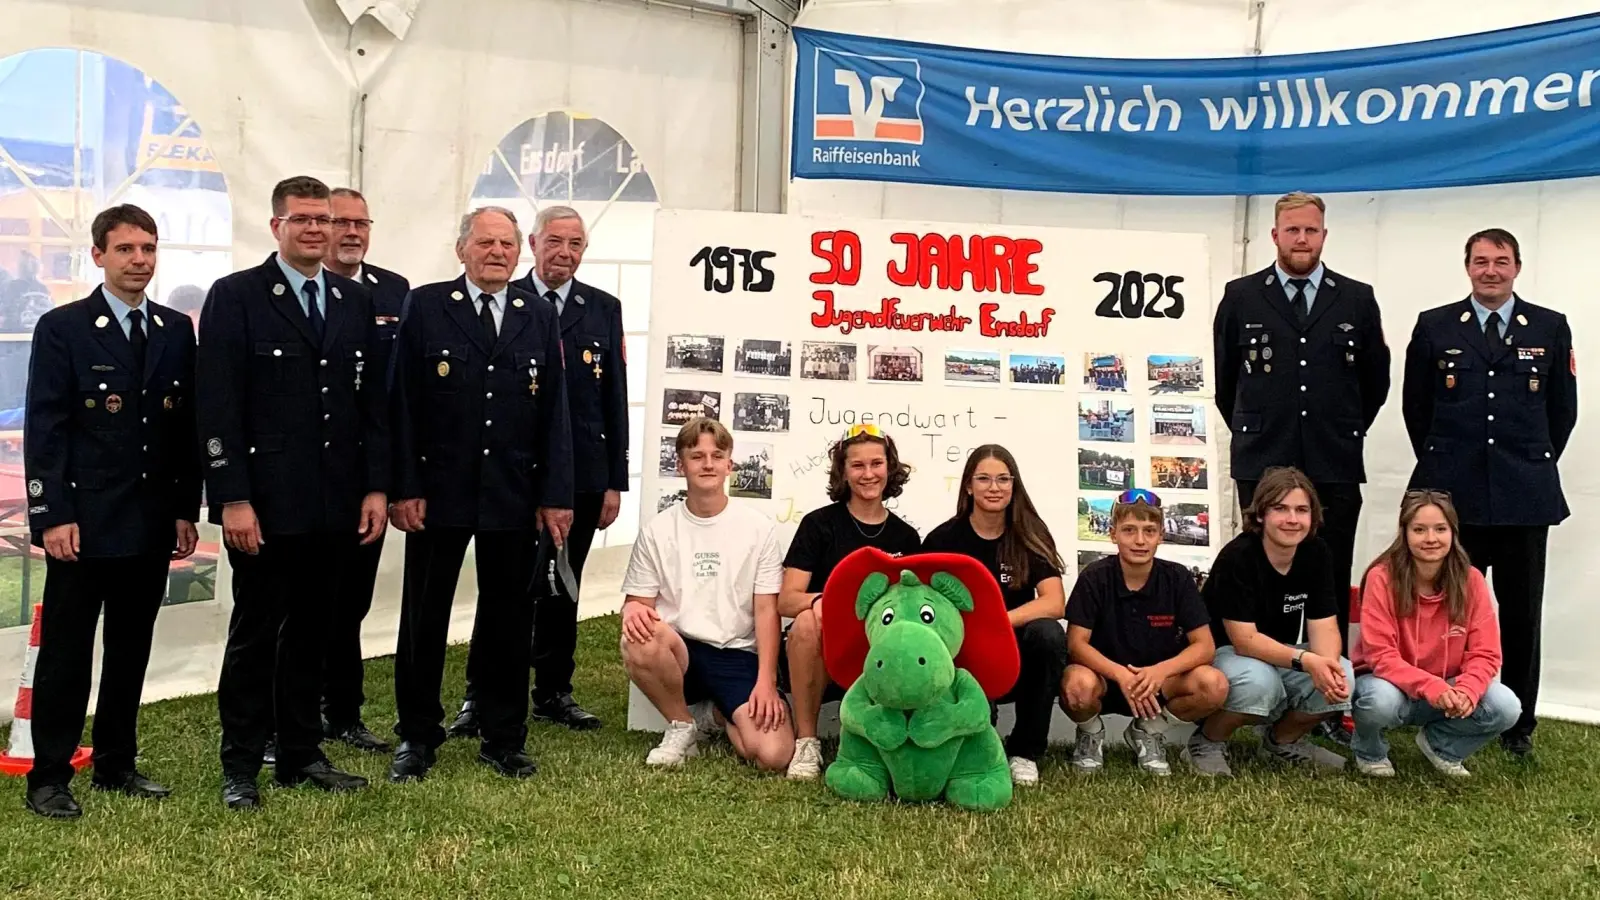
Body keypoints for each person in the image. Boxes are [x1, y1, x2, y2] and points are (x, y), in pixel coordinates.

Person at [197, 176, 390, 809]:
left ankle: (302, 753)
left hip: (335, 502)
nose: (316, 229)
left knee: (316, 630)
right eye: (302, 218)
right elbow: (218, 403)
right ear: (276, 225)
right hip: (266, 504)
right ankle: (242, 766)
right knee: (256, 635)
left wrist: (375, 488)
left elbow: (370, 405)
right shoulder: (238, 296)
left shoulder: (351, 301)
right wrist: (232, 497)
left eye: (325, 219)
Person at [20, 205, 200, 818]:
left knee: (131, 646)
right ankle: (49, 776)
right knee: (69, 651)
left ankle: (116, 764)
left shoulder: (175, 330)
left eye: (148, 249)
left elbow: (181, 433)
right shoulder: (64, 327)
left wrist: (183, 510)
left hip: (149, 522)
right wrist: (52, 514)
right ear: (98, 255)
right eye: (125, 250)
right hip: (84, 523)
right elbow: (47, 428)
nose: (139, 261)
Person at [384, 207, 573, 783]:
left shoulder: (535, 313)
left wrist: (555, 494)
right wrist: (404, 487)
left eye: (507, 244)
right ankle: (417, 736)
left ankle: (503, 736)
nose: (497, 252)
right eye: (486, 242)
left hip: (512, 495)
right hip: (438, 492)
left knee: (510, 620)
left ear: (520, 253)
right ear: (462, 249)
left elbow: (554, 411)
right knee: (424, 618)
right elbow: (402, 403)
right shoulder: (427, 305)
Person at [1400, 228, 1575, 758]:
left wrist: (1524, 464)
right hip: (1455, 503)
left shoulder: (1549, 327)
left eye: (1501, 261)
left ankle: (1517, 725)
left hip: (1524, 498)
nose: (1491, 271)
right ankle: (1448, 708)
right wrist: (1442, 471)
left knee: (1522, 615)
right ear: (1468, 267)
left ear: (1517, 266)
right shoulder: (1434, 327)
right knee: (1446, 613)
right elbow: (1417, 410)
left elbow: (1561, 415)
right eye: (1481, 261)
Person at [453, 206, 626, 735]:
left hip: (581, 474)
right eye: (555, 241)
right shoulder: (513, 303)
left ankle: (554, 689)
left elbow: (613, 397)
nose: (564, 253)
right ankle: (480, 695)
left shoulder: (603, 308)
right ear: (532, 242)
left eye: (576, 244)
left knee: (562, 587)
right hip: (517, 475)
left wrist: (615, 479)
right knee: (505, 589)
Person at [1214, 191, 1391, 643]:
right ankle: (1263, 675)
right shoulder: (1241, 296)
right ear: (1274, 235)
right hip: (1264, 455)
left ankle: (1327, 687)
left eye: (1311, 230)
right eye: (1292, 229)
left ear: (1324, 235)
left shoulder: (1356, 298)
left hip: (1334, 457)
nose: (1302, 238)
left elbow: (1375, 383)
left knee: (1329, 568)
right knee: (1260, 567)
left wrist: (1338, 427)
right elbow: (1226, 384)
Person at [619, 417, 793, 769]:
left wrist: (766, 682)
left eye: (717, 455)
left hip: (737, 654)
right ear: (681, 465)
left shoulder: (758, 529)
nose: (708, 464)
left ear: (730, 464)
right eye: (697, 456)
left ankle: (712, 715)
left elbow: (766, 612)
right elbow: (637, 602)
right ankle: (681, 724)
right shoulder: (658, 530)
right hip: (681, 651)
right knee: (640, 636)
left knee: (772, 756)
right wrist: (631, 609)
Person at [310, 186, 410, 754]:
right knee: (300, 603)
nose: (350, 233)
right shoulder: (292, 295)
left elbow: (394, 397)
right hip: (305, 477)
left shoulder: (394, 291)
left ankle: (343, 712)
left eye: (360, 224)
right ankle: (290, 712)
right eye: (340, 222)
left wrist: (389, 481)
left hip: (363, 476)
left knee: (352, 601)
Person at [1187, 467, 1352, 777]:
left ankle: (1281, 742)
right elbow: (1244, 640)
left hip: (1282, 653)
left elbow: (1325, 624)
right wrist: (1308, 661)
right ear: (1261, 513)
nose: (1292, 519)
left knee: (1344, 675)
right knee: (1260, 682)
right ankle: (1207, 741)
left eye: (1301, 510)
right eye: (1281, 508)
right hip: (1225, 656)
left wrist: (1326, 667)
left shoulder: (1317, 552)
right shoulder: (1239, 555)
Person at [778, 423, 920, 780]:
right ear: (843, 471)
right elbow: (787, 600)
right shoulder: (818, 524)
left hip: (877, 652)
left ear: (890, 468)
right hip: (821, 647)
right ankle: (806, 742)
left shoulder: (907, 537)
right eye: (857, 465)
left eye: (877, 463)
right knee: (809, 620)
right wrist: (827, 601)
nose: (868, 474)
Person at [921, 444, 1067, 787]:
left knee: (1048, 634)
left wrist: (1000, 621)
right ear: (969, 486)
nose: (994, 487)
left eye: (1003, 479)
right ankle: (975, 739)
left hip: (1016, 650)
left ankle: (1025, 752)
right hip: (963, 650)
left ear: (1014, 485)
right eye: (984, 479)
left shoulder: (1030, 533)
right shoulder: (943, 539)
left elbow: (1054, 603)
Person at [1350, 490, 1521, 777]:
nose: (1431, 538)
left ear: (1453, 533)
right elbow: (1380, 656)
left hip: (1448, 690)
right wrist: (1432, 686)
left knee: (1506, 706)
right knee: (1378, 701)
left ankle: (1441, 745)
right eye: (1419, 529)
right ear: (1404, 533)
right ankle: (1370, 751)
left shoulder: (1472, 580)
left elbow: (1486, 652)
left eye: (1440, 529)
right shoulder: (1381, 577)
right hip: (1390, 686)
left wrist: (1467, 689)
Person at [1060, 489, 1228, 776]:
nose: (1140, 540)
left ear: (1161, 535)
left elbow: (1204, 646)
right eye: (1129, 530)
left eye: (1149, 531)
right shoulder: (1094, 577)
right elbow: (1076, 644)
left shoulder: (1177, 578)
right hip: (1106, 679)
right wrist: (1121, 675)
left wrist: (1160, 672)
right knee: (1076, 686)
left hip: (1159, 683)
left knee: (1214, 685)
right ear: (1112, 534)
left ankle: (1148, 731)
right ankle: (1091, 733)